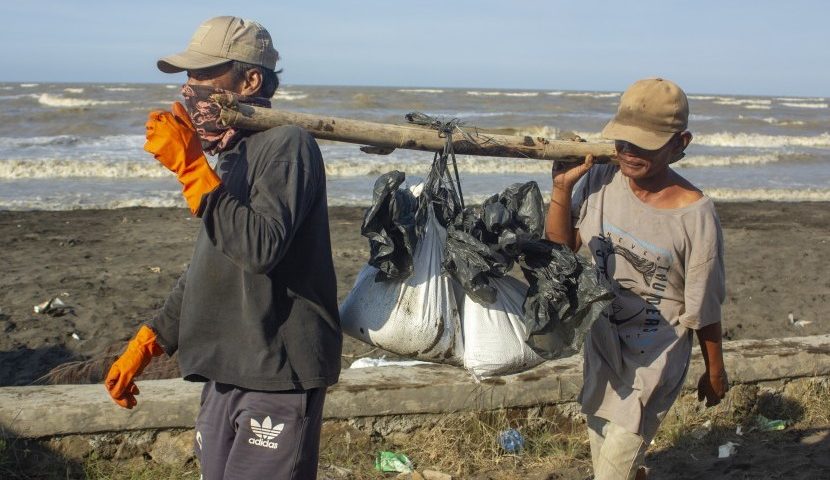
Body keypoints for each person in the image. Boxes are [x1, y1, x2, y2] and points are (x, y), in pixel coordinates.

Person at [104, 16, 342, 479]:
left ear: (250, 80)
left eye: (203, 74)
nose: (190, 89)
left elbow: (260, 248)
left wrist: (193, 169)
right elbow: (210, 262)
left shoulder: (288, 146)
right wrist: (151, 340)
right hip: (227, 365)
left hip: (278, 369)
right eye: (188, 77)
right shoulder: (232, 156)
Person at [545, 78, 728, 480]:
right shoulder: (602, 179)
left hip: (654, 358)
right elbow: (561, 247)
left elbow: (705, 303)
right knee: (606, 460)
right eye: (623, 141)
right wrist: (561, 187)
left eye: (644, 144)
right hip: (603, 343)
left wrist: (715, 370)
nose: (628, 152)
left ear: (680, 143)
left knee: (610, 472)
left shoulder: (694, 215)